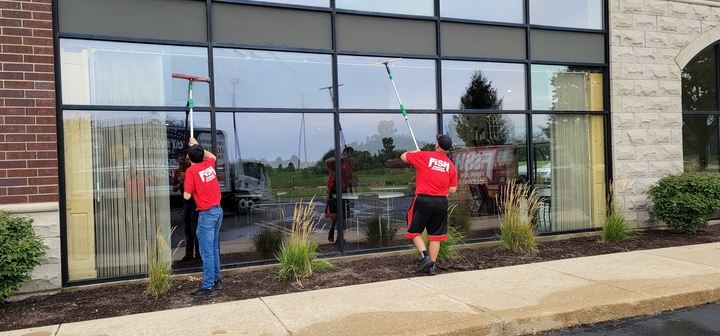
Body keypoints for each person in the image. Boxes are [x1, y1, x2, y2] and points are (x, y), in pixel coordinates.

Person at [400, 134, 458, 276]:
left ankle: (425, 257)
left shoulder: (424, 156)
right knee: (435, 236)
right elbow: (452, 189)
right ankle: (431, 268)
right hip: (440, 203)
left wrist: (416, 152)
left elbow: (403, 156)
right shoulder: (450, 165)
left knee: (413, 230)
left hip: (423, 200)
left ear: (437, 145)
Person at [183, 138, 224, 298]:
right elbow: (212, 156)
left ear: (189, 158)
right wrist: (197, 145)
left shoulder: (192, 172)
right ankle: (217, 279)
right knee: (213, 248)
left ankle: (208, 287)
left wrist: (192, 187)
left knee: (206, 252)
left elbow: (186, 196)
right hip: (218, 211)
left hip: (207, 214)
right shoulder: (209, 164)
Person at [324, 146, 355, 243]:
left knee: (344, 215)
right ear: (343, 153)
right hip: (335, 191)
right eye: (346, 153)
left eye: (349, 154)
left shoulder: (347, 166)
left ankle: (340, 237)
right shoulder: (335, 163)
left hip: (344, 192)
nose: (348, 156)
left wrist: (351, 186)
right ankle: (332, 229)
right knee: (335, 214)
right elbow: (327, 162)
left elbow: (350, 179)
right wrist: (340, 158)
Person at [173, 151, 199, 261]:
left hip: (194, 201)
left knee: (195, 228)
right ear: (176, 159)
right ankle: (189, 253)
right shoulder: (177, 172)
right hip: (186, 202)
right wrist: (180, 184)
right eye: (180, 156)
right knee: (187, 229)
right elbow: (174, 188)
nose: (182, 158)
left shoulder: (190, 168)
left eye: (184, 156)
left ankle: (198, 253)